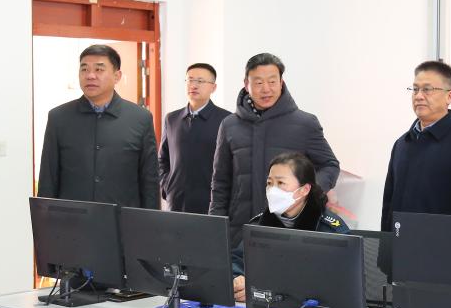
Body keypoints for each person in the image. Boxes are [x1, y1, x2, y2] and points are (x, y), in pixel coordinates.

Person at [210, 53, 339, 247]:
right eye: (258, 83)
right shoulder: (229, 125)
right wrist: (215, 226)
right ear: (246, 84)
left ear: (281, 82)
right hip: (240, 231)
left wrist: (305, 193)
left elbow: (330, 165)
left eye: (272, 81)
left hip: (291, 229)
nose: (266, 89)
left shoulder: (305, 123)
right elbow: (220, 182)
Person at [38, 44, 160, 209]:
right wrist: (45, 220)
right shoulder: (58, 118)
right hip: (72, 219)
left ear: (117, 76)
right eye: (84, 69)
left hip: (122, 220)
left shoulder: (140, 118)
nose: (90, 76)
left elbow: (149, 181)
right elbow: (48, 178)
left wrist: (150, 221)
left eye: (99, 69)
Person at [381, 61, 451, 231]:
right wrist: (386, 243)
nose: (419, 96)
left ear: (450, 96)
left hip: (444, 245)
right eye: (415, 89)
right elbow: (388, 206)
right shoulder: (402, 144)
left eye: (427, 89)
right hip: (399, 243)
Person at [231, 152, 348, 302]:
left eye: (281, 183)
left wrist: (262, 287)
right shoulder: (259, 225)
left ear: (304, 190)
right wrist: (239, 280)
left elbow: (341, 283)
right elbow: (238, 260)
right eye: (269, 183)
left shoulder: (330, 230)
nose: (272, 190)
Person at [158, 63, 230, 214]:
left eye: (200, 81)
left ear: (213, 87)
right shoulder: (172, 119)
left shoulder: (227, 120)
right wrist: (167, 187)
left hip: (212, 205)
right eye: (190, 80)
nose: (194, 85)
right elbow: (162, 160)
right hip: (176, 203)